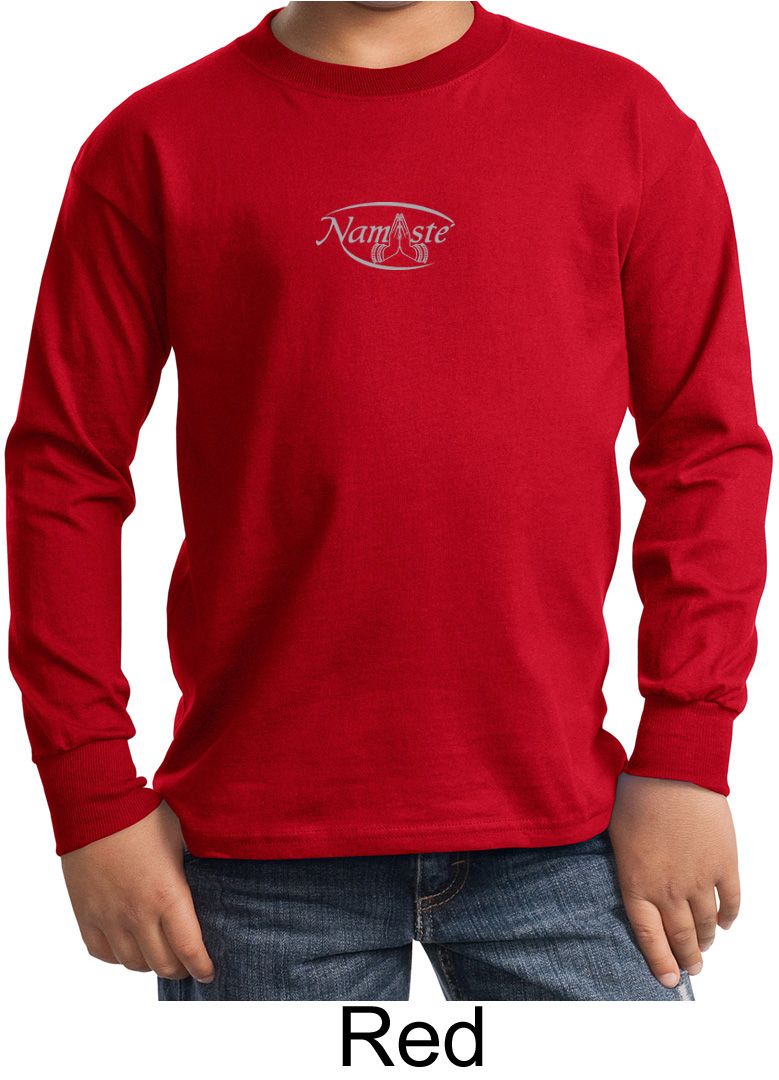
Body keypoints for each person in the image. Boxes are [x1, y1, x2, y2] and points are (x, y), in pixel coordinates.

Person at [5, 1, 771, 1002]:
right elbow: (65, 468)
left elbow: (705, 449)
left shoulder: (621, 119)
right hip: (254, 848)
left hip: (573, 832)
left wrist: (684, 751)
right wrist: (90, 792)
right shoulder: (154, 142)